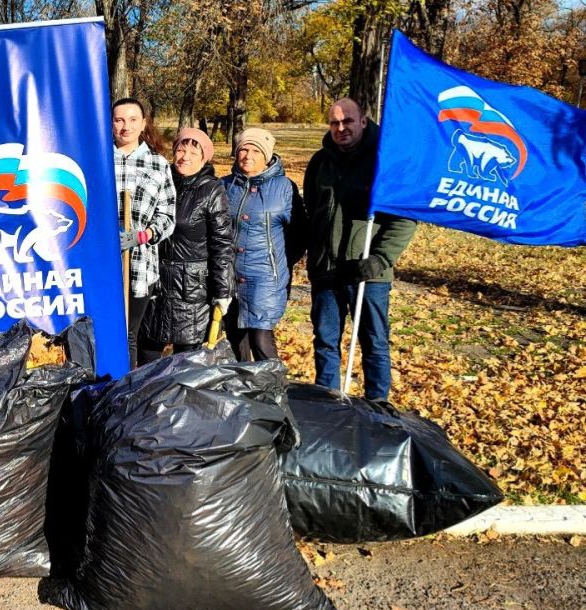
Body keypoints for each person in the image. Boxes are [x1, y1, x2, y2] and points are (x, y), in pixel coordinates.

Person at [304, 97, 417, 401]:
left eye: (348, 121)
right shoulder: (320, 162)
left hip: (367, 272)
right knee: (326, 341)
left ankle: (377, 405)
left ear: (363, 121)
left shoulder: (385, 162)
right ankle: (328, 403)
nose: (341, 128)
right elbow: (312, 209)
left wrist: (380, 258)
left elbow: (404, 217)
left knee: (373, 341)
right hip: (327, 269)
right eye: (335, 122)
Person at [139, 128, 233, 363]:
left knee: (186, 363)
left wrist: (223, 291)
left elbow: (222, 245)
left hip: (191, 290)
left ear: (205, 158)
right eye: (181, 149)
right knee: (147, 355)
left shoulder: (212, 191)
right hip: (157, 283)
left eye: (194, 151)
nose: (185, 156)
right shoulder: (162, 180)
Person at [221, 127, 308, 361]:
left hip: (266, 277)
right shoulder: (224, 186)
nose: (248, 156)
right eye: (243, 150)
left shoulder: (284, 188)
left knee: (260, 338)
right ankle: (244, 390)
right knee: (236, 339)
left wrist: (277, 261)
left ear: (267, 156)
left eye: (256, 151)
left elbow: (299, 235)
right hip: (230, 274)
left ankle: (273, 390)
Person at [111, 97, 176, 367]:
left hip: (139, 263)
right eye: (119, 120)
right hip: (102, 263)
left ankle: (125, 393)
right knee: (98, 332)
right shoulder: (97, 160)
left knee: (128, 334)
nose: (126, 126)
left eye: (132, 120)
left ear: (143, 124)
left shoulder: (158, 165)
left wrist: (143, 235)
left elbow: (168, 214)